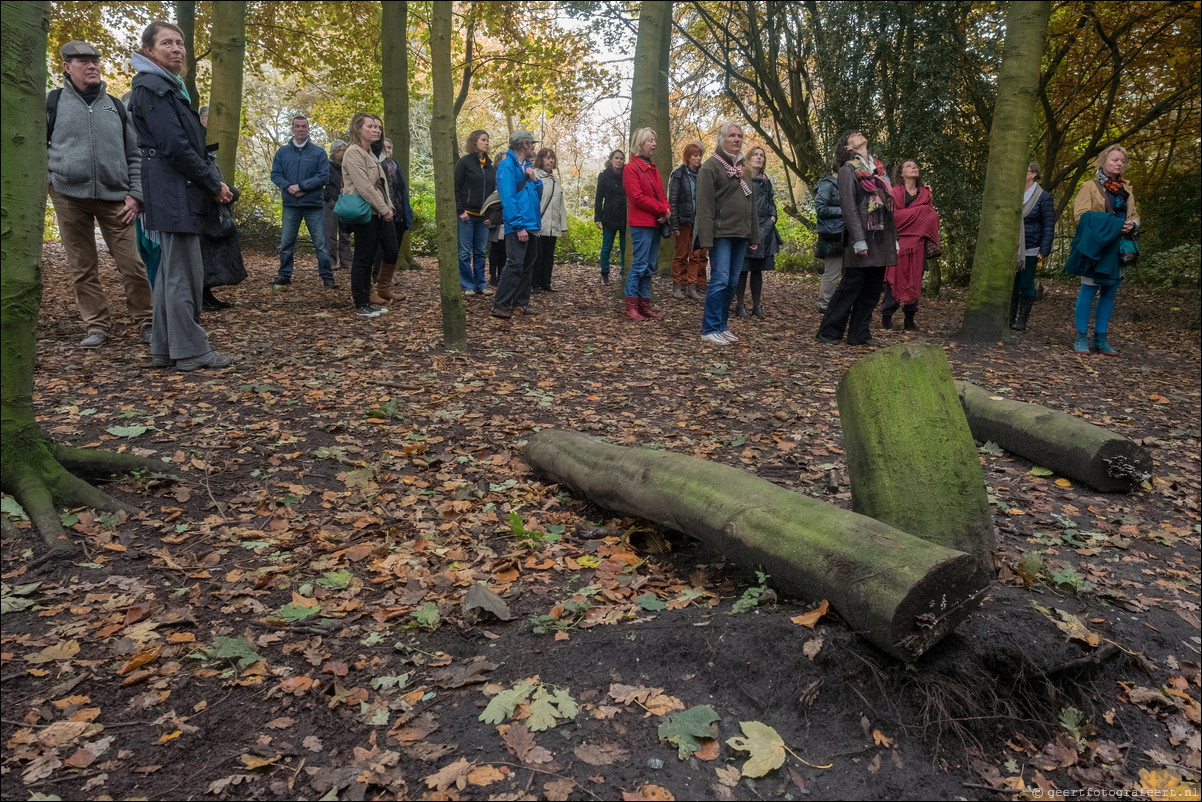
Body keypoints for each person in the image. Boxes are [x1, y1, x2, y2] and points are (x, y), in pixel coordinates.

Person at [129, 21, 232, 370]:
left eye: (179, 43)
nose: (176, 49)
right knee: (183, 274)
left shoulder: (167, 87)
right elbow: (177, 147)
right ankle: (190, 350)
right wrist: (212, 182)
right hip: (174, 189)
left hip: (173, 187)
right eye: (166, 43)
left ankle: (163, 347)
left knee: (173, 270)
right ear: (148, 51)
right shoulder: (155, 89)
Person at [47, 40, 153, 349]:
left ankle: (146, 322)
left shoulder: (116, 106)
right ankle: (97, 327)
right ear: (67, 67)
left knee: (133, 265)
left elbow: (134, 155)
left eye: (95, 60)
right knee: (83, 267)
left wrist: (136, 195)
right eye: (82, 61)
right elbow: (36, 147)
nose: (92, 65)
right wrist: (50, 182)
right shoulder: (51, 103)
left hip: (116, 199)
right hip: (68, 197)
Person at [815, 129, 897, 347]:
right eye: (853, 134)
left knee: (872, 289)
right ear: (847, 147)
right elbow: (849, 207)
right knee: (851, 287)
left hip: (881, 236)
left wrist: (893, 239)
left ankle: (859, 334)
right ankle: (829, 332)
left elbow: (889, 204)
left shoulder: (879, 168)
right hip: (860, 236)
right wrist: (858, 239)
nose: (859, 133)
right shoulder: (847, 170)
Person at [1066, 145, 1139, 356]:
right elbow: (1081, 216)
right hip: (1096, 247)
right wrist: (1114, 223)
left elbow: (1134, 214)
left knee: (1109, 292)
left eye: (1122, 161)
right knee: (1088, 290)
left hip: (1119, 247)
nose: (1119, 164)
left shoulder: (1126, 188)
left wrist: (1132, 224)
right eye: (1115, 160)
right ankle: (1081, 337)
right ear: (1103, 161)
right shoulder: (1089, 186)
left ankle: (1101, 339)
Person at [696, 122, 758, 345]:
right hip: (720, 234)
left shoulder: (744, 169)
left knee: (732, 282)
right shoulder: (710, 167)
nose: (737, 139)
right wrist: (705, 238)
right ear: (722, 139)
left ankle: (721, 326)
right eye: (732, 135)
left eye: (740, 136)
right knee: (720, 280)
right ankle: (709, 328)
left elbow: (752, 206)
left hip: (741, 234)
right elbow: (703, 206)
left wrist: (754, 235)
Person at [341, 112, 396, 318]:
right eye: (371, 126)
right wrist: (384, 209)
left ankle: (368, 301)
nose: (376, 130)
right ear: (358, 129)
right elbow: (364, 186)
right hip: (364, 212)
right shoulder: (353, 152)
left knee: (374, 255)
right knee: (363, 258)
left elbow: (382, 186)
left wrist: (388, 208)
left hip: (377, 212)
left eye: (378, 127)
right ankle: (361, 303)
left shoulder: (370, 153)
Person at [270, 116, 334, 288]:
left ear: (308, 129)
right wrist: (289, 187)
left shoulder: (318, 152)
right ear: (292, 129)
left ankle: (327, 278)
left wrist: (302, 187)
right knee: (286, 243)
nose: (300, 129)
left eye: (303, 126)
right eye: (297, 126)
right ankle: (284, 275)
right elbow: (275, 174)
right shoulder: (282, 152)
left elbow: (324, 176)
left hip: (313, 205)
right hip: (291, 204)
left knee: (320, 244)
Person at [491, 130, 543, 319]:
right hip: (519, 225)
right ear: (525, 145)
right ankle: (500, 304)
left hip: (531, 223)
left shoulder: (526, 167)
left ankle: (520, 304)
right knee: (514, 264)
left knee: (527, 266)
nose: (534, 147)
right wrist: (519, 226)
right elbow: (508, 198)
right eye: (532, 144)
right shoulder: (507, 166)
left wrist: (535, 179)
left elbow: (538, 195)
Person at [883, 159, 939, 331]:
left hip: (918, 245)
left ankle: (909, 318)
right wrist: (918, 214)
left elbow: (931, 218)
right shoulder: (894, 192)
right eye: (909, 166)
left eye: (915, 165)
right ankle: (887, 316)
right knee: (893, 280)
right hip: (898, 242)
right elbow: (892, 218)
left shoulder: (926, 194)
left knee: (915, 279)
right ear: (901, 173)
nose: (914, 167)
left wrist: (912, 216)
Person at [622, 127, 671, 321]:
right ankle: (631, 305)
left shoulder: (653, 167)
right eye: (650, 140)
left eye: (654, 140)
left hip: (655, 223)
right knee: (640, 264)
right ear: (640, 143)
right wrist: (661, 210)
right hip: (641, 224)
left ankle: (644, 304)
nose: (654, 144)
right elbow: (637, 197)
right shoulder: (631, 168)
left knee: (650, 265)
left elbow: (661, 193)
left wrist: (666, 211)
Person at [733, 145, 782, 319]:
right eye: (755, 154)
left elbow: (771, 204)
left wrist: (772, 219)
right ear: (748, 158)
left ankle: (756, 305)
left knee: (757, 269)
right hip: (746, 228)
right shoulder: (740, 178)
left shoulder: (766, 180)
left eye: (762, 155)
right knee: (743, 269)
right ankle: (739, 305)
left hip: (765, 228)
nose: (759, 158)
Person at [1010, 161, 1054, 332]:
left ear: (1034, 174)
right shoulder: (1015, 194)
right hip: (1013, 247)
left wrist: (1044, 250)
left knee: (1026, 282)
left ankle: (1022, 320)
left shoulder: (1043, 197)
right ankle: (1010, 318)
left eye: (1026, 170)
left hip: (1031, 246)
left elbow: (1048, 225)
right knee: (1012, 283)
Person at [454, 130, 496, 295]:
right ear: (474, 141)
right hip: (467, 215)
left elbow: (494, 194)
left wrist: (491, 216)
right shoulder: (464, 163)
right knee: (464, 252)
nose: (486, 143)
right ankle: (467, 286)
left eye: (487, 140)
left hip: (484, 217)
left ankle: (481, 284)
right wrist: (460, 210)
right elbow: (456, 188)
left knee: (480, 252)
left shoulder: (490, 166)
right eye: (483, 140)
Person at [373, 137, 413, 304]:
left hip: (397, 213)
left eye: (389, 147)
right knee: (377, 249)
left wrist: (405, 214)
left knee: (393, 249)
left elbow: (401, 191)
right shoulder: (375, 164)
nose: (387, 150)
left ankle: (384, 286)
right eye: (384, 147)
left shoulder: (395, 165)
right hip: (379, 212)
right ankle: (373, 283)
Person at [668, 142, 708, 301]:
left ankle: (692, 287)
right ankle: (677, 286)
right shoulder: (678, 173)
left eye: (700, 155)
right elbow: (673, 200)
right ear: (688, 157)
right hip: (683, 220)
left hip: (699, 221)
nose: (698, 158)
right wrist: (674, 223)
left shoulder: (703, 173)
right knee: (680, 254)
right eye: (695, 155)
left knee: (696, 255)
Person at [532, 147, 567, 294]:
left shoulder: (555, 179)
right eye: (547, 157)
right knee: (537, 256)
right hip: (539, 224)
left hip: (553, 225)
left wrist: (563, 226)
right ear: (540, 160)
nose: (551, 160)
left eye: (552, 158)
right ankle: (535, 284)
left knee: (549, 256)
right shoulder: (534, 176)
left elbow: (561, 205)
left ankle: (546, 282)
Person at [594, 149, 627, 285]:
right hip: (609, 215)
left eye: (621, 158)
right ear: (611, 159)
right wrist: (598, 217)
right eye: (616, 158)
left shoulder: (628, 174)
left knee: (625, 247)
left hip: (625, 216)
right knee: (607, 246)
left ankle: (624, 271)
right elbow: (598, 198)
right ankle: (605, 273)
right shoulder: (604, 176)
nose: (619, 161)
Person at [813, 168, 844, 314]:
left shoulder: (848, 185)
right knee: (832, 271)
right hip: (833, 235)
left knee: (847, 272)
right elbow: (821, 208)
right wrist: (846, 210)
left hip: (847, 233)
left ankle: (840, 303)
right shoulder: (827, 184)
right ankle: (825, 305)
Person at [323, 140, 353, 269]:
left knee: (345, 233)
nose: (344, 152)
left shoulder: (348, 166)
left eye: (346, 150)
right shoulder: (326, 165)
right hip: (331, 200)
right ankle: (331, 261)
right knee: (330, 232)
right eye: (342, 150)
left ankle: (347, 261)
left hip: (346, 201)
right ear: (334, 152)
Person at [485, 149, 508, 287]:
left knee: (504, 249)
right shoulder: (493, 175)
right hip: (494, 218)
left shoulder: (508, 175)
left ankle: (501, 276)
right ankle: (493, 276)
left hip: (505, 219)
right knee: (495, 249)